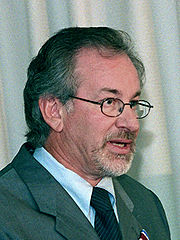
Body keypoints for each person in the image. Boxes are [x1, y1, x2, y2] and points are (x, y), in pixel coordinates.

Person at [0, 27, 170, 240]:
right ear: (54, 111)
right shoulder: (6, 214)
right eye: (109, 102)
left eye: (133, 104)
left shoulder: (145, 204)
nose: (131, 123)